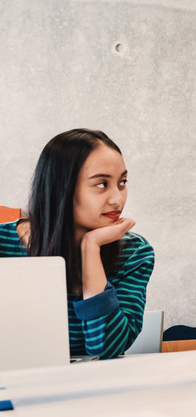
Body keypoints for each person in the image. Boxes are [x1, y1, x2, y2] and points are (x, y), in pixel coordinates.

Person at [0, 129, 154, 359]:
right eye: (102, 184)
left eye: (122, 182)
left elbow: (106, 350)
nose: (117, 199)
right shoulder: (4, 243)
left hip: (87, 388)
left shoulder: (135, 252)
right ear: (62, 188)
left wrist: (90, 249)